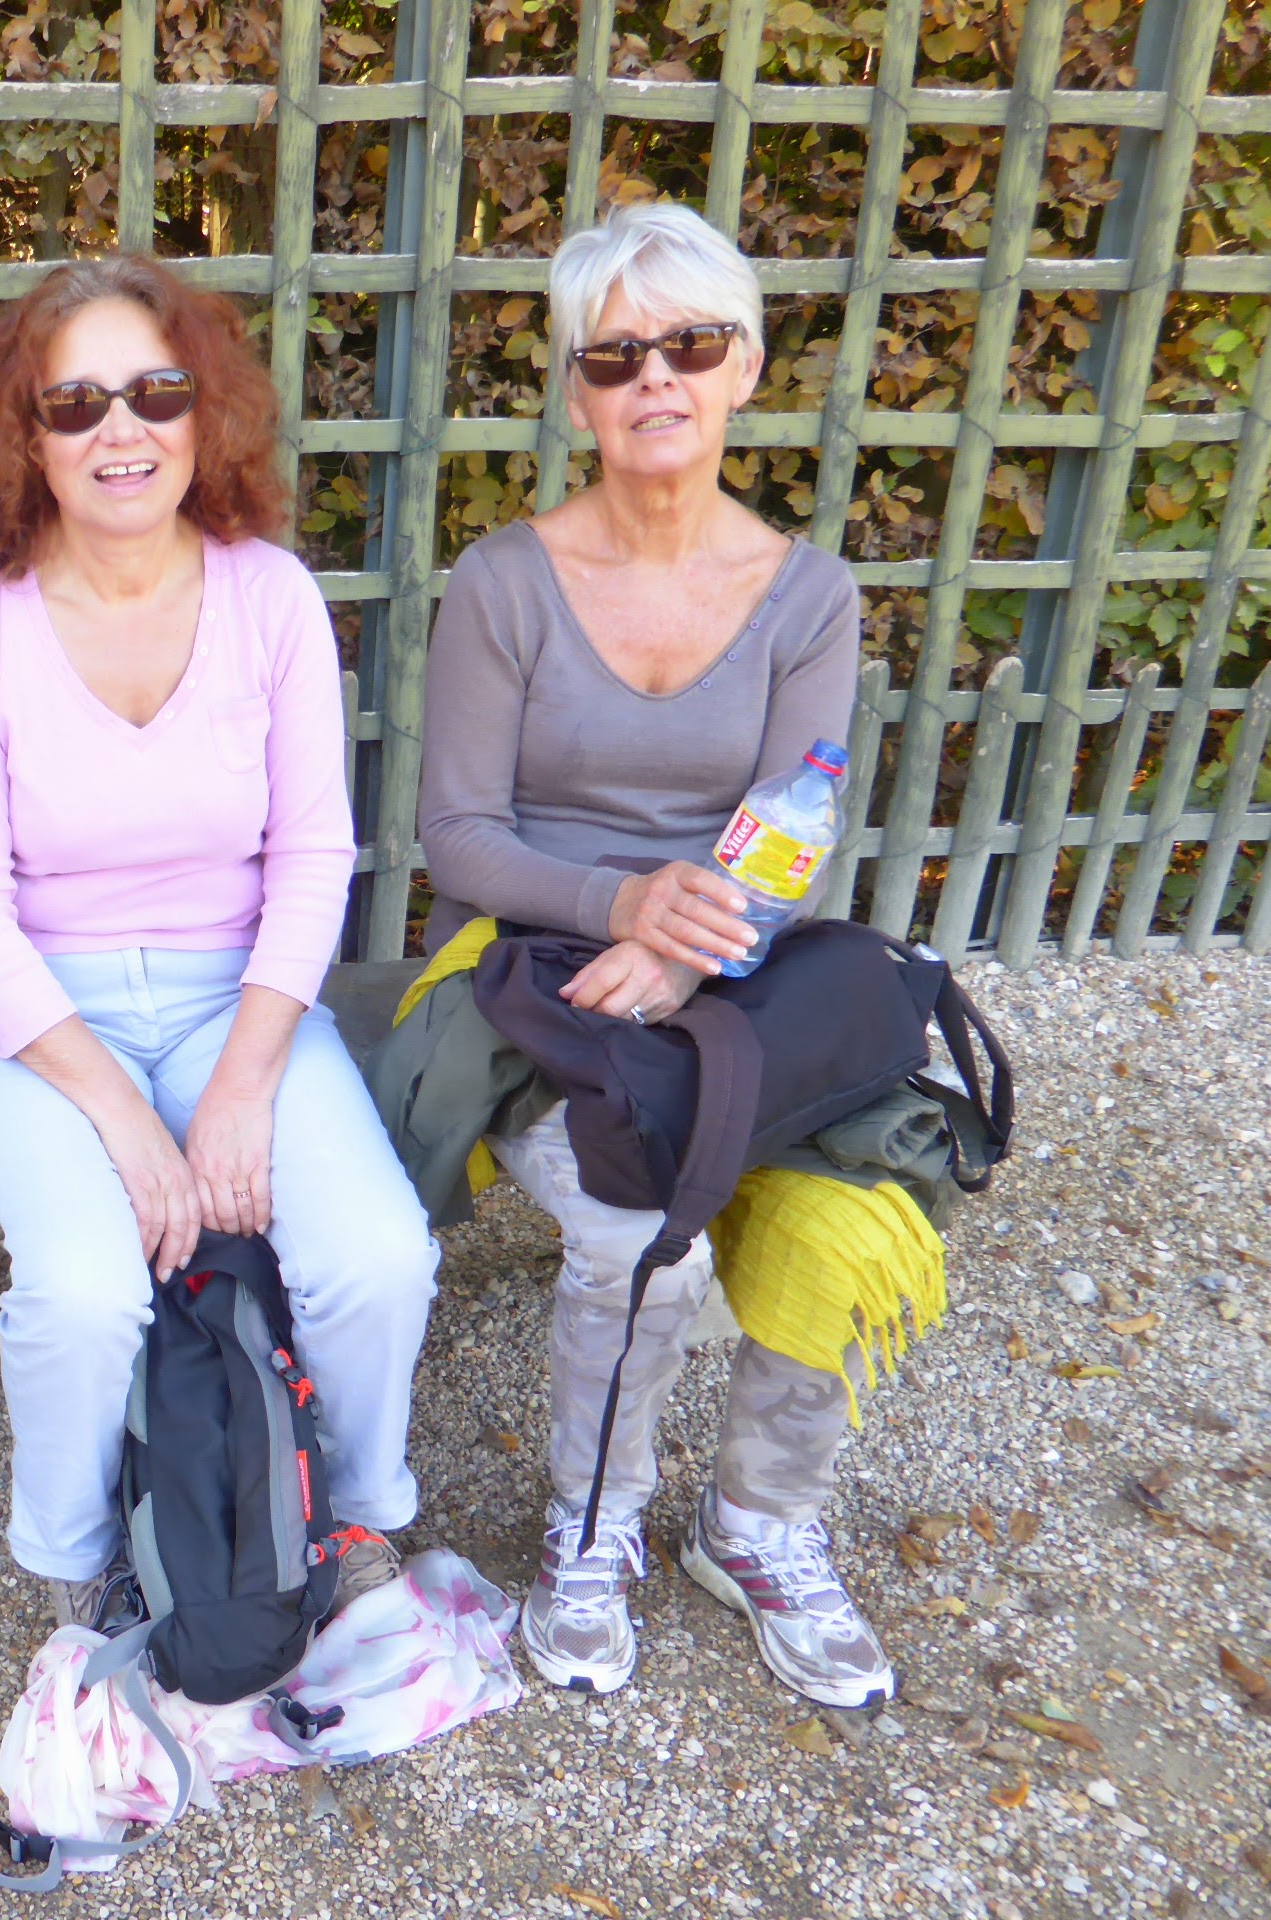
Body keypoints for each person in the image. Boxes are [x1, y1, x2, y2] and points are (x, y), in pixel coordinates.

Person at [0, 255, 439, 1632]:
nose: (121, 429)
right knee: (85, 1293)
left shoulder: (271, 598)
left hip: (234, 1004)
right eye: (75, 402)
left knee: (379, 1258)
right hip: (37, 1023)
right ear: (27, 438)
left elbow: (313, 855)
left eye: (155, 392)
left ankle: (357, 1514)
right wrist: (132, 1125)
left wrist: (245, 1084)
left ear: (204, 414)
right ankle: (78, 1562)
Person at [418, 201, 890, 1708]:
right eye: (615, 356)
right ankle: (595, 1520)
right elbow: (458, 836)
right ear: (577, 395)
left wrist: (687, 956)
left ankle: (757, 1525)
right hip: (530, 966)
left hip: (731, 964)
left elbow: (794, 828)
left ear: (745, 366)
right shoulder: (504, 582)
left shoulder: (811, 597)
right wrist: (620, 906)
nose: (656, 380)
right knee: (636, 1230)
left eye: (690, 344)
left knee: (859, 1209)